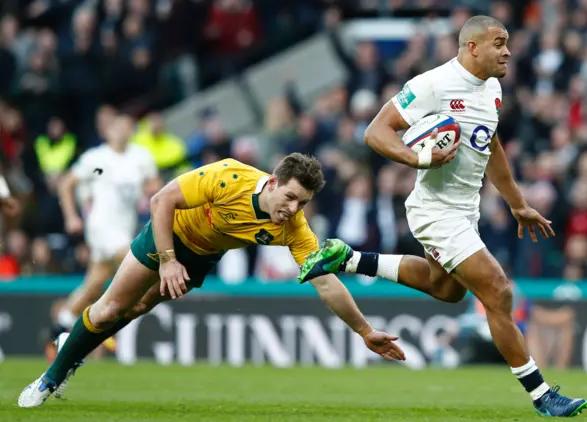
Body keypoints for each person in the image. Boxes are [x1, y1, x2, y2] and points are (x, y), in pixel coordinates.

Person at [298, 16, 587, 418]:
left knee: (448, 290)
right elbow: (375, 133)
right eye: (499, 43)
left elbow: (492, 143)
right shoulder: (431, 85)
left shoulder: (493, 89)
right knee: (498, 292)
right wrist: (419, 157)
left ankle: (347, 259)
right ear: (472, 47)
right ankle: (542, 395)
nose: (507, 51)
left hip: (465, 211)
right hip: (435, 211)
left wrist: (516, 202)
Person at [18, 153, 405, 408]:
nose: (292, 209)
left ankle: (73, 347)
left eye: (302, 203)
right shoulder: (228, 177)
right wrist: (168, 260)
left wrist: (364, 330)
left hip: (201, 258)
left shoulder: (295, 229)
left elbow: (325, 282)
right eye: (289, 197)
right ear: (272, 182)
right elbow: (161, 201)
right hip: (166, 236)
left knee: (135, 308)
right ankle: (49, 379)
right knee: (109, 310)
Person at [50, 115, 162, 357]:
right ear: (107, 131)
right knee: (137, 262)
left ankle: (61, 324)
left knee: (94, 283)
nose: (121, 131)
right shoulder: (96, 158)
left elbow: (155, 185)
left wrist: (151, 192)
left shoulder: (141, 157)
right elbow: (66, 183)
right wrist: (71, 216)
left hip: (124, 228)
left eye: (126, 126)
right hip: (101, 227)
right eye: (116, 126)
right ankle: (107, 326)